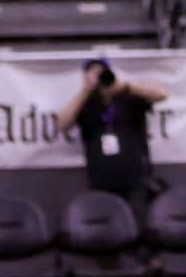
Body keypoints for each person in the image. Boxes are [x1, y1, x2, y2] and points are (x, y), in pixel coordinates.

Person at [55, 58, 168, 207]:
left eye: (101, 74)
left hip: (135, 179)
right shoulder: (85, 104)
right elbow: (61, 126)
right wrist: (85, 91)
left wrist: (126, 86)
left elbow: (161, 94)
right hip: (100, 180)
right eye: (93, 74)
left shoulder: (129, 97)